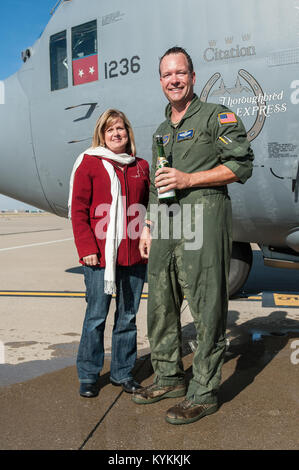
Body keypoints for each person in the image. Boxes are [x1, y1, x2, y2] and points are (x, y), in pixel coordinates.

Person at [133, 47, 254, 424]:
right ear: (160, 81)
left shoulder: (215, 116)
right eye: (167, 75)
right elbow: (156, 186)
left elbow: (241, 164)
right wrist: (149, 227)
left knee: (206, 305)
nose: (174, 80)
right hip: (167, 221)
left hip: (204, 213)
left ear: (192, 76)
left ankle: (203, 391)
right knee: (162, 304)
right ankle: (169, 377)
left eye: (180, 73)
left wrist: (190, 179)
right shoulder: (160, 130)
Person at [69, 109, 149, 397]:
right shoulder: (89, 164)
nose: (116, 134)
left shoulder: (140, 166)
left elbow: (147, 206)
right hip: (100, 257)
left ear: (128, 133)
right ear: (102, 135)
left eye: (121, 129)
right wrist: (87, 248)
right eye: (110, 129)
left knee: (127, 317)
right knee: (96, 317)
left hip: (135, 255)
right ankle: (89, 375)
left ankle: (122, 372)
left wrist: (148, 230)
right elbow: (78, 211)